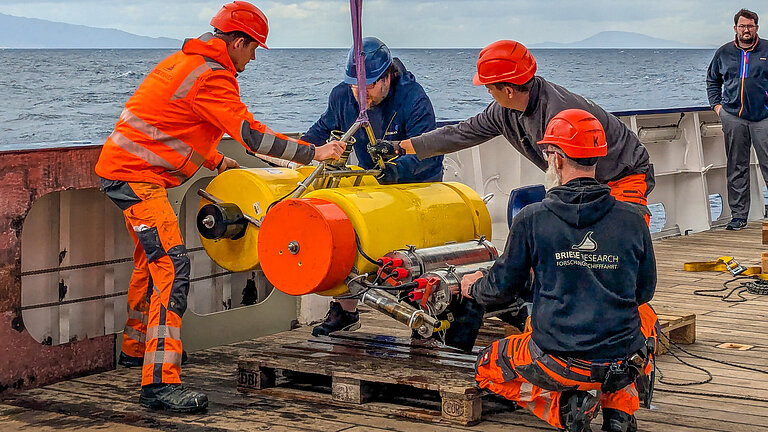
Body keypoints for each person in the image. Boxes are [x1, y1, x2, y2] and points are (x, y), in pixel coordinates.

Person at [94, 1, 344, 413]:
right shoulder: (211, 77)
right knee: (173, 268)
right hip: (137, 179)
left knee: (150, 262)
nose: (252, 58)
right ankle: (159, 384)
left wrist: (217, 161)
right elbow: (251, 135)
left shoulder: (184, 63)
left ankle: (138, 349)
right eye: (253, 49)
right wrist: (315, 152)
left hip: (126, 173)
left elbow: (178, 126)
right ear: (239, 41)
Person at [455, 109, 658, 432]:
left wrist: (473, 286)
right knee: (646, 317)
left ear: (557, 159)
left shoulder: (533, 219)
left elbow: (501, 289)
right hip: (623, 358)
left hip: (560, 359)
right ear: (598, 158)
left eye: (549, 153)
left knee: (486, 367)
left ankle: (565, 408)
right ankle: (619, 411)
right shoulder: (633, 218)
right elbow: (643, 291)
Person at [384, 40, 654, 220]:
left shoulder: (560, 115)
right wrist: (401, 147)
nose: (488, 93)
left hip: (623, 176)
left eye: (490, 88)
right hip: (584, 184)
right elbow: (460, 134)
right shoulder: (504, 111)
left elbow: (573, 176)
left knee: (621, 253)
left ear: (508, 90)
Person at [302, 37, 443, 336]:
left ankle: (423, 310)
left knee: (413, 249)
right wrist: (293, 151)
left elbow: (427, 151)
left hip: (417, 183)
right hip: (373, 183)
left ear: (387, 78)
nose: (359, 95)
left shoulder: (413, 98)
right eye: (354, 86)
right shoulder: (342, 96)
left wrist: (390, 173)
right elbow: (321, 129)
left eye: (366, 88)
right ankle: (345, 310)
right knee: (341, 228)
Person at [706, 8, 768, 230]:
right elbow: (713, 80)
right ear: (735, 28)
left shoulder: (766, 50)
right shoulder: (724, 53)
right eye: (742, 26)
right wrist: (718, 108)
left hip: (763, 118)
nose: (746, 30)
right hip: (733, 118)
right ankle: (739, 216)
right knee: (736, 166)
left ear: (756, 28)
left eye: (750, 26)